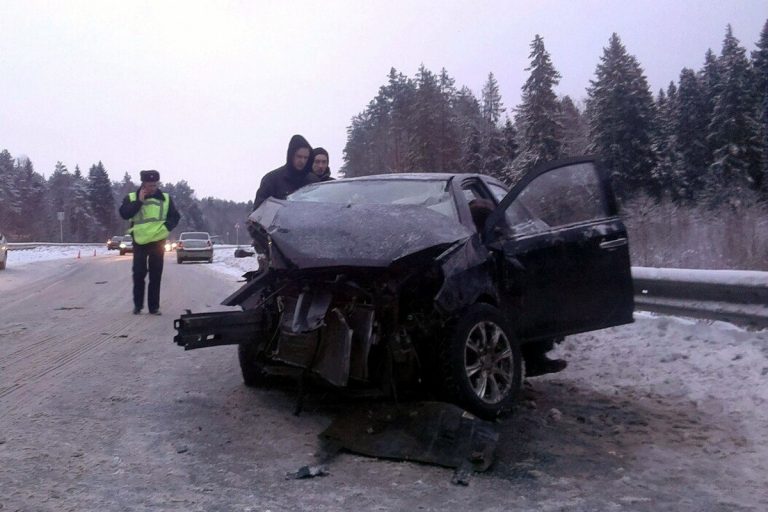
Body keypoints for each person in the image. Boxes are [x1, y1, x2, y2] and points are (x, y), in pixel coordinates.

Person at [119, 169, 181, 315]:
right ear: (143, 184)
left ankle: (154, 307)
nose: (152, 188)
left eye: (155, 185)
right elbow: (124, 214)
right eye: (149, 185)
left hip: (158, 241)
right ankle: (138, 306)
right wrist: (139, 202)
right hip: (139, 241)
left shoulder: (165, 198)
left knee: (156, 274)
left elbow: (175, 217)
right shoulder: (132, 197)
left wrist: (166, 228)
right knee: (139, 273)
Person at [252, 134, 313, 210]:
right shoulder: (271, 180)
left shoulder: (313, 182)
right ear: (291, 155)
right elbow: (259, 211)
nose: (302, 161)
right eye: (299, 156)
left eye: (305, 158)